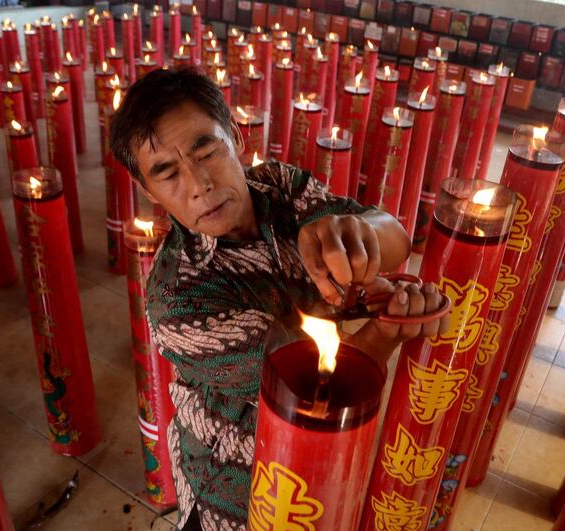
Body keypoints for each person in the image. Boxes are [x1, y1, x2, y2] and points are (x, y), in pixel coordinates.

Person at [109, 67, 449, 531]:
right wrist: (387, 330)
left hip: (326, 458)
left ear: (235, 137)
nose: (199, 184)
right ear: (148, 191)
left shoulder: (279, 188)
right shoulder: (178, 301)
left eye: (205, 149)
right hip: (237, 490)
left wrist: (361, 233)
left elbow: (394, 238)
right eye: (167, 174)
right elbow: (309, 386)